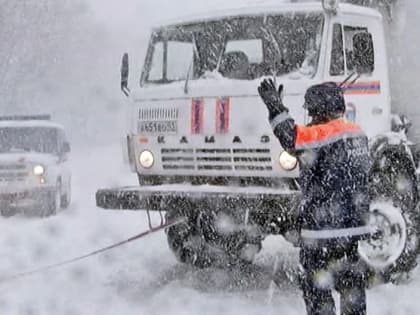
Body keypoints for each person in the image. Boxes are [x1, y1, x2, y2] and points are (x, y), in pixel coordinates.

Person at [258, 79, 371, 315]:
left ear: (322, 110)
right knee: (352, 290)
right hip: (350, 234)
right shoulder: (357, 133)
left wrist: (276, 109)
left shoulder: (324, 133)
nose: (309, 117)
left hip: (323, 234)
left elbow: (292, 137)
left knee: (317, 291)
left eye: (311, 112)